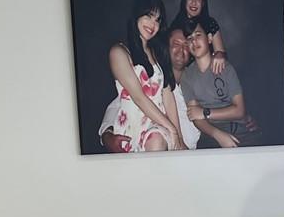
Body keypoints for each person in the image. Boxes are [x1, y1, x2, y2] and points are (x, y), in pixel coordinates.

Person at [102, 26, 243, 151]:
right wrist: (107, 135)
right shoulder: (153, 84)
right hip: (161, 151)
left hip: (197, 153)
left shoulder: (195, 82)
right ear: (166, 48)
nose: (182, 49)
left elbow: (220, 105)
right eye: (176, 44)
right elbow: (119, 104)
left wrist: (240, 118)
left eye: (186, 46)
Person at [101, 0, 181, 153]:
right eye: (148, 16)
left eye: (158, 20)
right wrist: (171, 128)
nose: (153, 24)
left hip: (156, 126)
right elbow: (138, 97)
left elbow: (167, 96)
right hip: (131, 127)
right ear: (136, 15)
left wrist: (178, 136)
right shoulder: (119, 52)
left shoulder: (158, 53)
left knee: (156, 141)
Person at [178, 21, 256, 141]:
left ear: (209, 38)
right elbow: (195, 115)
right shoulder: (187, 76)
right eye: (189, 38)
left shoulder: (226, 68)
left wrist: (205, 112)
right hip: (210, 133)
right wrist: (218, 135)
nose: (194, 41)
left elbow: (240, 111)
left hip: (239, 129)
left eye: (198, 35)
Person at [170, 0, 229, 76]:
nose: (194, 2)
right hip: (183, 80)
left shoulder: (210, 24)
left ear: (203, 3)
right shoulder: (176, 26)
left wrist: (220, 55)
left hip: (209, 78)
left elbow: (221, 53)